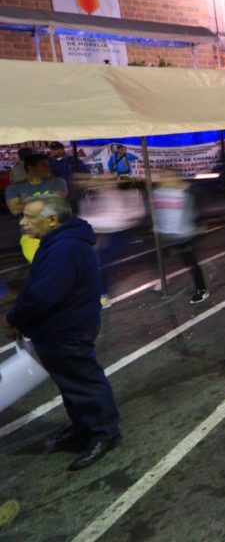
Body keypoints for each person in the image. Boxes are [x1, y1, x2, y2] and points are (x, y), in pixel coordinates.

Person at [4, 195, 121, 471]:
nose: (22, 222)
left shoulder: (63, 248)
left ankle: (104, 433)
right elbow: (36, 288)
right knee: (71, 383)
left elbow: (43, 295)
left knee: (84, 382)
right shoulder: (58, 242)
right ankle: (83, 428)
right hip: (58, 329)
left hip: (68, 329)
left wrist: (15, 318)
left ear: (52, 219)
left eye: (29, 217)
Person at [151, 171, 209, 304]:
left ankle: (202, 289)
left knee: (190, 262)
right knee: (157, 258)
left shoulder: (186, 193)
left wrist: (195, 228)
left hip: (184, 234)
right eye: (163, 177)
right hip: (167, 234)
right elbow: (156, 211)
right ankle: (164, 279)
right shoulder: (160, 192)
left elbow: (194, 213)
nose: (164, 180)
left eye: (167, 176)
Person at [6, 154, 68, 263]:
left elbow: (57, 203)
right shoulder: (14, 188)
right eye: (44, 165)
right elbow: (14, 210)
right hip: (31, 233)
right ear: (31, 168)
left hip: (58, 230)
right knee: (40, 262)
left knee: (65, 260)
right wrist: (48, 198)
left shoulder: (58, 182)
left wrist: (26, 203)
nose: (49, 168)